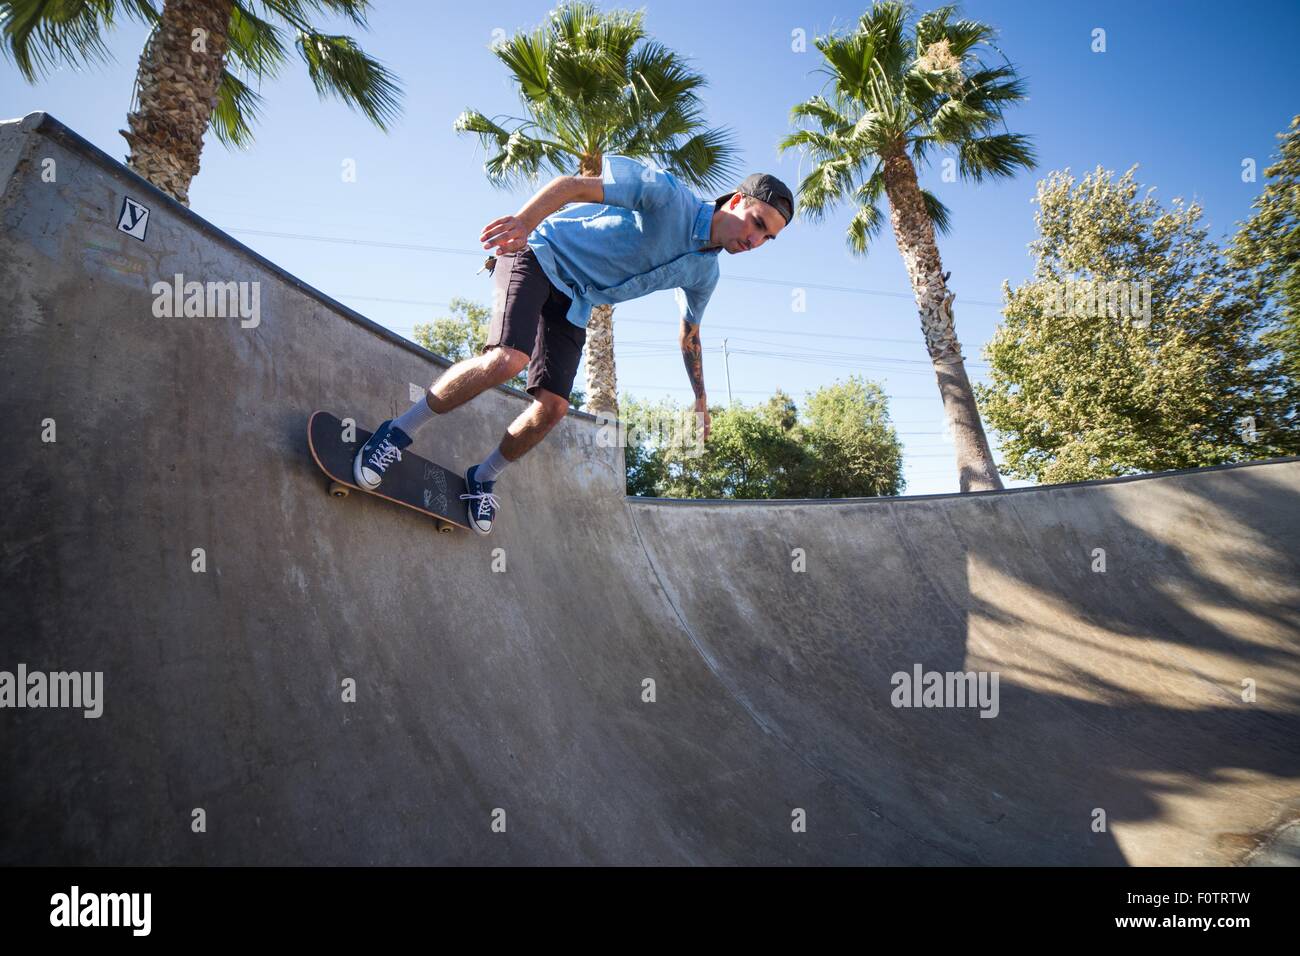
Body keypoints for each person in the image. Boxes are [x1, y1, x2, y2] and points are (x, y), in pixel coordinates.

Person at [354, 156, 794, 534]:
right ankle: (395, 433)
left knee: (554, 409)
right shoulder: (666, 194)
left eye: (768, 238)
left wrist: (701, 400)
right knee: (509, 360)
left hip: (577, 300)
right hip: (540, 253)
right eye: (757, 224)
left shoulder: (705, 274)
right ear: (736, 200)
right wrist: (522, 224)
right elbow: (570, 187)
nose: (755, 241)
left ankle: (482, 478)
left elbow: (690, 335)